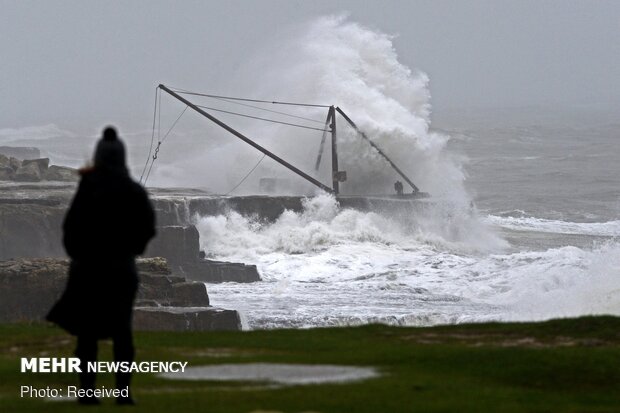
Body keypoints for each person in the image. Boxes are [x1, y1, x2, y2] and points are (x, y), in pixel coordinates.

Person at [47, 127, 156, 405]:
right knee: (122, 332)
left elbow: (70, 228)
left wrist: (78, 255)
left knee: (87, 334)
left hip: (88, 270)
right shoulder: (133, 191)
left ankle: (87, 391)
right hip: (122, 270)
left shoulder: (87, 189)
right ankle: (122, 392)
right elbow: (147, 227)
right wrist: (134, 250)